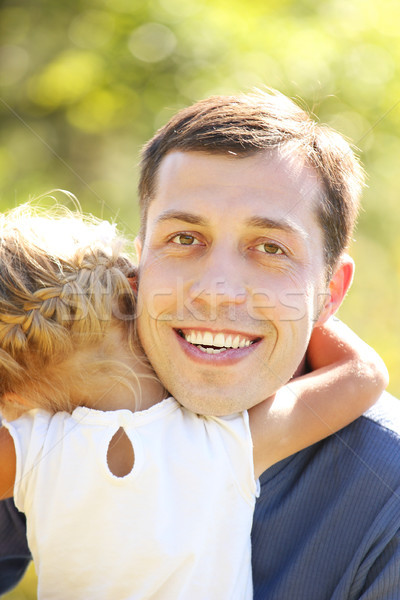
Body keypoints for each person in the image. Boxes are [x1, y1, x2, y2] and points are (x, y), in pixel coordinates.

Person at [1, 88, 399, 598]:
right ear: (138, 271)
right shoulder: (52, 411)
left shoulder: (387, 493)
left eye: (271, 248)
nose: (216, 293)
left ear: (330, 292)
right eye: (185, 239)